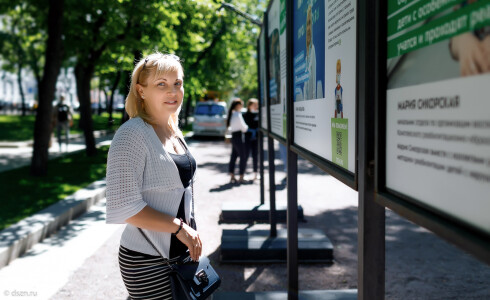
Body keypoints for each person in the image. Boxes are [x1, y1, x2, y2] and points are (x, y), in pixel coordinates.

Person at [105, 52, 202, 300]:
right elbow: (124, 208)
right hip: (147, 260)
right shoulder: (131, 134)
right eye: (162, 84)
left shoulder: (173, 129)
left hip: (181, 255)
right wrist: (180, 228)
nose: (173, 91)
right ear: (141, 90)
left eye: (177, 83)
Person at [227, 98, 248, 183]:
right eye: (241, 104)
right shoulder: (237, 115)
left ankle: (232, 175)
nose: (242, 106)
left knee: (234, 156)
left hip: (234, 137)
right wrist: (247, 128)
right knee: (243, 157)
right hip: (239, 136)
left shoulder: (232, 114)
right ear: (238, 105)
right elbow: (244, 128)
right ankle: (241, 176)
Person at [243, 98, 259, 180]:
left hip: (256, 138)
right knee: (246, 155)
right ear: (249, 106)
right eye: (254, 105)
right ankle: (243, 173)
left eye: (257, 105)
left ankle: (255, 173)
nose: (256, 107)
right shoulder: (245, 115)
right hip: (247, 138)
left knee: (255, 155)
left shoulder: (258, 114)